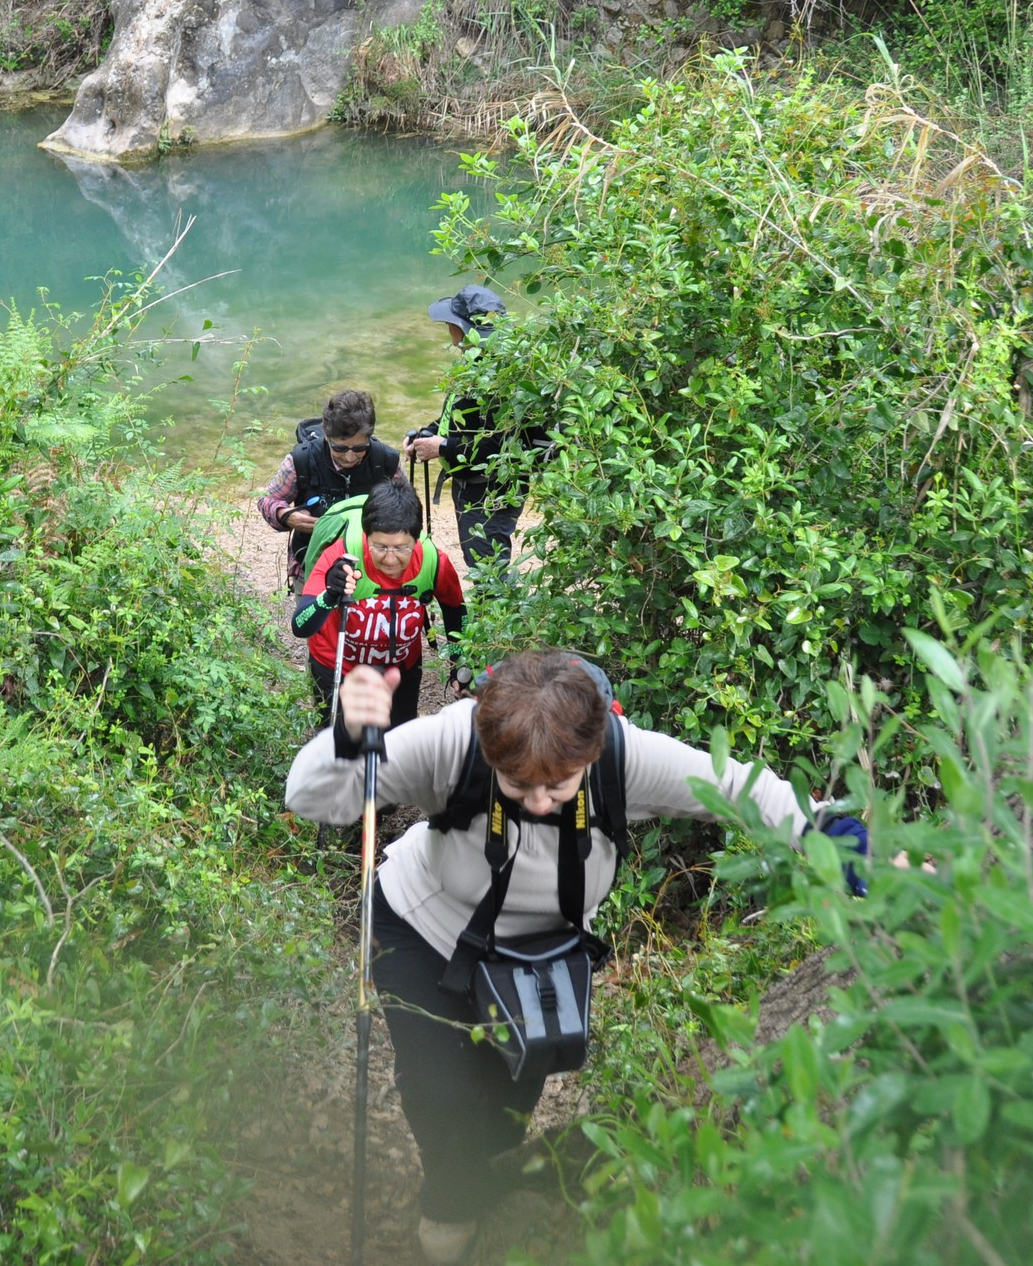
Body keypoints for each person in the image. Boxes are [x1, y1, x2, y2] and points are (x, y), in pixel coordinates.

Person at [286, 652, 850, 1264]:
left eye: (557, 786)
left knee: (509, 1104)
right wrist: (347, 737)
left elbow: (738, 788)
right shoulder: (455, 741)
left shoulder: (622, 756)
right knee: (439, 1089)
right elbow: (312, 798)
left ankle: (474, 1180)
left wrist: (842, 842)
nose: (537, 801)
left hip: (539, 956)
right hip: (422, 929)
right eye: (517, 784)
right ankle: (448, 1208)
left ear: (591, 750)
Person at [291, 481, 465, 728]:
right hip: (337, 665)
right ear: (366, 534)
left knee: (399, 742)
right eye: (380, 547)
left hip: (400, 668)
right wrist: (330, 595)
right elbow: (300, 625)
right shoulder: (341, 555)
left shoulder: (433, 561)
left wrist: (459, 664)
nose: (391, 559)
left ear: (416, 538)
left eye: (402, 548)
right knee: (338, 744)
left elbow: (455, 610)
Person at [405, 286, 547, 575]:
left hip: (490, 491)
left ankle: (497, 605)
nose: (449, 330)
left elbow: (500, 448)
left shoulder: (501, 379)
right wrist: (427, 434)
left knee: (488, 567)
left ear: (464, 330)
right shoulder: (480, 364)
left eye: (451, 324)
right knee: (480, 560)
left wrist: (442, 447)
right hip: (473, 485)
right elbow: (458, 418)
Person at [255, 388, 408, 574]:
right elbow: (267, 499)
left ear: (370, 437)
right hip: (311, 563)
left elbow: (407, 509)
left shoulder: (386, 461)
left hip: (372, 566)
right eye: (340, 448)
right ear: (327, 437)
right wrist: (285, 515)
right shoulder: (301, 461)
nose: (350, 457)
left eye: (359, 448)